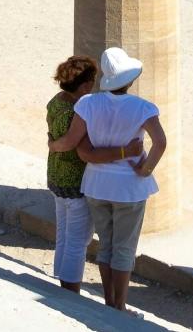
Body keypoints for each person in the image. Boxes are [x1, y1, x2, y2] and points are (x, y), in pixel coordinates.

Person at [49, 45, 168, 312]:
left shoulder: (87, 103)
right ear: (131, 80)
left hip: (96, 184)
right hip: (129, 188)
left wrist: (53, 145)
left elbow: (78, 144)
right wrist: (145, 169)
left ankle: (108, 300)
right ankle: (119, 305)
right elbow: (160, 142)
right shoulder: (143, 108)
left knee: (105, 247)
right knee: (123, 249)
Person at [44, 54, 144, 293]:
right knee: (78, 241)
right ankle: (70, 291)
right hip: (76, 181)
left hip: (56, 176)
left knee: (64, 235)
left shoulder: (56, 101)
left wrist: (52, 145)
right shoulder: (78, 109)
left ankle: (63, 283)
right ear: (86, 84)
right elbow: (75, 145)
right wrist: (126, 151)